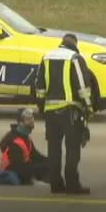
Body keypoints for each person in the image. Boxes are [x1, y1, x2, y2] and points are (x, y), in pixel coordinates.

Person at [35, 34, 94, 195]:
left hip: (50, 113)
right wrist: (89, 107)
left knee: (54, 149)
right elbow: (83, 87)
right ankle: (72, 185)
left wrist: (41, 107)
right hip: (70, 112)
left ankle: (55, 184)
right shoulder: (75, 58)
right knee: (72, 149)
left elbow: (39, 86)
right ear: (74, 44)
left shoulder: (46, 57)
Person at [0, 108, 50, 185]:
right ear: (21, 123)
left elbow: (35, 156)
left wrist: (51, 161)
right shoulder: (15, 141)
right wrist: (36, 170)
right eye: (29, 119)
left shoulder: (26, 138)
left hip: (22, 167)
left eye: (32, 118)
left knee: (47, 165)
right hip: (12, 170)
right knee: (15, 180)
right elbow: (19, 166)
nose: (32, 121)